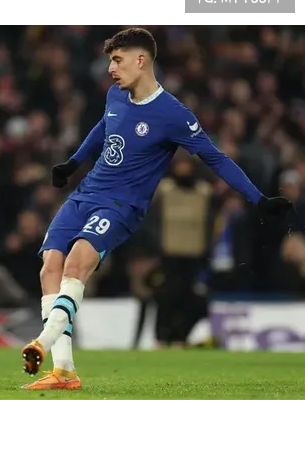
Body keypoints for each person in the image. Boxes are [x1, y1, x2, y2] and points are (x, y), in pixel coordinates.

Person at [21, 28, 293, 390]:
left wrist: (258, 198)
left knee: (77, 262)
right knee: (50, 266)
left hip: (121, 205)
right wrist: (73, 163)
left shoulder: (173, 115)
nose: (111, 69)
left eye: (117, 60)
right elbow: (103, 128)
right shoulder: (115, 95)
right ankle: (64, 371)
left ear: (141, 60)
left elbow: (215, 158)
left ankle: (42, 342)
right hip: (85, 195)